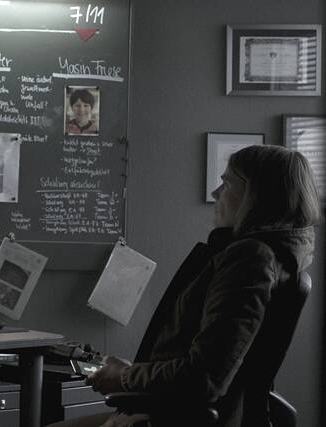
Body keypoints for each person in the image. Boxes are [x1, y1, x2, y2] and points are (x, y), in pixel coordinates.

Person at [50, 145, 319, 427]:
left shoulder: (250, 259)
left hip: (174, 416)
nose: (215, 193)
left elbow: (205, 376)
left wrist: (125, 377)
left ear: (256, 196)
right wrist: (131, 374)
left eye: (227, 183)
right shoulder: (273, 259)